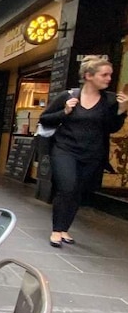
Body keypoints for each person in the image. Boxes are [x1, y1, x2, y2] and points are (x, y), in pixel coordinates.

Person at [39, 56, 127, 247]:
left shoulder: (109, 101)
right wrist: (64, 112)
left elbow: (112, 128)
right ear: (89, 76)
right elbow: (45, 119)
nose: (109, 78)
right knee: (67, 187)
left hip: (92, 154)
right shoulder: (68, 96)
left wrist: (121, 110)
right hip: (65, 150)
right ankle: (56, 230)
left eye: (110, 75)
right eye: (104, 75)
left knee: (78, 191)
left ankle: (64, 229)